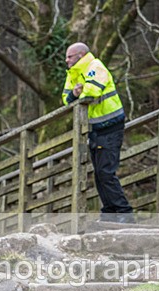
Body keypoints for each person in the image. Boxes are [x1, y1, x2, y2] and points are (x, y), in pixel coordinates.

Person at [63, 42, 134, 223]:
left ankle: (124, 213)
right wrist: (75, 93)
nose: (66, 60)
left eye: (70, 56)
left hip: (110, 125)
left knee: (106, 172)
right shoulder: (72, 74)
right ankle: (109, 212)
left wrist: (79, 91)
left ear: (80, 55)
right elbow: (66, 98)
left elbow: (93, 90)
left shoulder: (95, 66)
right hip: (94, 128)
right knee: (99, 174)